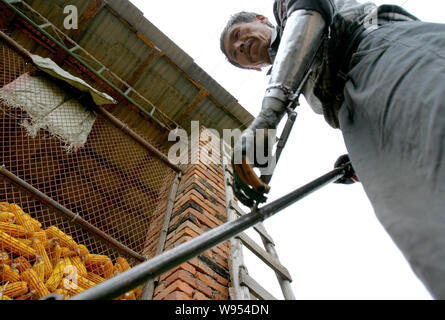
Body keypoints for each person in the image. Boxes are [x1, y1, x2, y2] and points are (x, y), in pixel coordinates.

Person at [220, 0, 445, 299]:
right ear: (257, 67)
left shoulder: (287, 10)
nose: (240, 47)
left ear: (261, 19)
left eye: (237, 35)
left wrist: (268, 114)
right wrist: (363, 156)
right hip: (359, 120)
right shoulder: (294, 76)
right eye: (237, 55)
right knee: (422, 226)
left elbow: (311, 7)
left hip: (376, 50)